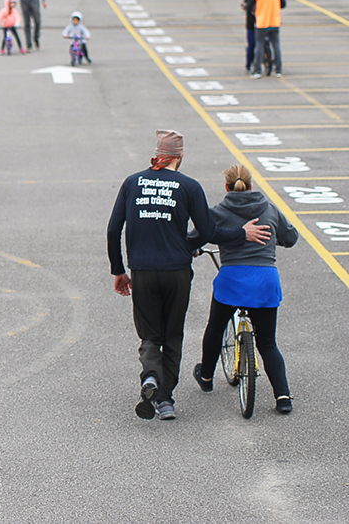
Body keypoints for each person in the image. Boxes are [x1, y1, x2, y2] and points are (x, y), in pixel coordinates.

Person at [108, 129, 271, 420]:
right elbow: (208, 232)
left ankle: (150, 377)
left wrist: (119, 270)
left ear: (157, 153)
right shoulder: (189, 186)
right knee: (172, 335)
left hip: (143, 271)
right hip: (177, 272)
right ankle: (166, 400)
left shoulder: (132, 183)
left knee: (149, 334)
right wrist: (241, 234)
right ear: (180, 157)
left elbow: (113, 229)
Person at [189, 165, 297, 414]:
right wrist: (273, 239)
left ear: (227, 187)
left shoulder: (218, 212)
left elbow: (194, 238)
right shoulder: (268, 209)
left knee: (215, 327)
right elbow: (290, 238)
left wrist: (195, 248)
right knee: (268, 342)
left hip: (232, 279)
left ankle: (206, 376)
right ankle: (283, 397)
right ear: (251, 185)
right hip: (265, 280)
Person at [250, 0, 286, 79]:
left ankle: (257, 71)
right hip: (275, 21)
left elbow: (250, 4)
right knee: (276, 45)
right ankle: (278, 69)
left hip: (262, 21)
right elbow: (283, 4)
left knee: (259, 46)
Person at [241, 0, 258, 73]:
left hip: (262, 24)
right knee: (251, 44)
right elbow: (245, 5)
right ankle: (249, 63)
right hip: (251, 24)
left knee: (265, 43)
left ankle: (267, 60)